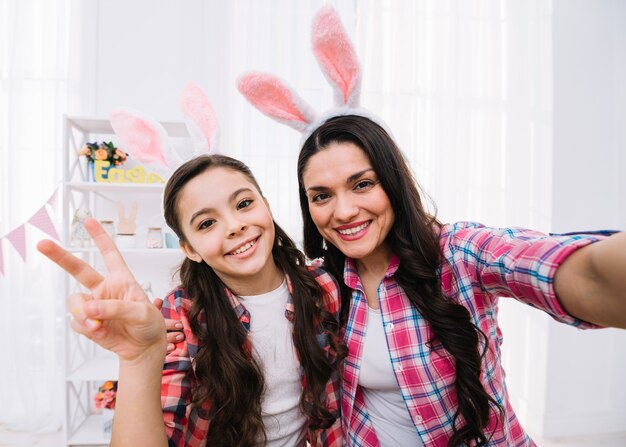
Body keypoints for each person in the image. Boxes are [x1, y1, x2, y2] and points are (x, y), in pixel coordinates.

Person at [294, 113, 626, 446]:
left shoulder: (459, 253)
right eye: (322, 196)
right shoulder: (318, 288)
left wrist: (594, 273)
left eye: (362, 184)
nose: (344, 211)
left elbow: (573, 270)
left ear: (393, 183)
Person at [38, 154, 345, 447]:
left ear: (266, 206)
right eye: (206, 224)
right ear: (190, 249)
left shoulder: (322, 288)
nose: (234, 225)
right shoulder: (181, 314)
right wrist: (138, 360)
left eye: (244, 204)